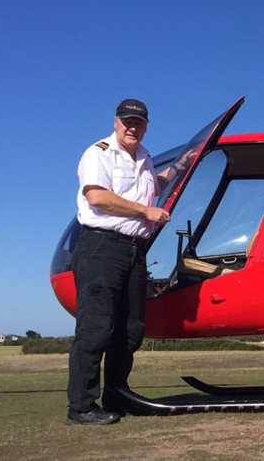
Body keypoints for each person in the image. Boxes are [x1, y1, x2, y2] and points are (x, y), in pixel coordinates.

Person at [67, 98, 185, 425]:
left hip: (135, 250)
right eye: (127, 122)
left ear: (146, 125)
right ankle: (81, 407)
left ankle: (117, 394)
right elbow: (97, 197)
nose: (132, 127)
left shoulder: (145, 158)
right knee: (96, 329)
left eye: (138, 123)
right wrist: (146, 212)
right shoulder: (98, 153)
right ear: (116, 122)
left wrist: (177, 169)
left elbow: (151, 186)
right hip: (101, 247)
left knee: (131, 329)